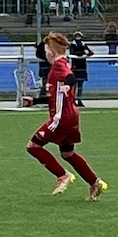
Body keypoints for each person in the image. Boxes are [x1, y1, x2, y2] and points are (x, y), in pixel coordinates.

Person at [22, 31, 107, 200]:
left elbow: (70, 77)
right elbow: (56, 95)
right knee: (68, 153)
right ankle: (95, 182)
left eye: (46, 50)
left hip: (61, 118)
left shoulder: (59, 65)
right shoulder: (62, 63)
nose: (45, 53)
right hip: (71, 115)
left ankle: (62, 175)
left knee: (33, 146)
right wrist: (35, 101)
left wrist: (68, 85)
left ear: (51, 51)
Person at [68, 31, 94, 104]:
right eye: (76, 36)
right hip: (75, 67)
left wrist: (85, 53)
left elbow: (91, 52)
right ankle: (73, 100)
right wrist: (83, 53)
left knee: (80, 85)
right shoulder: (72, 45)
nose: (78, 38)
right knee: (74, 85)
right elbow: (73, 53)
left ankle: (79, 99)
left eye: (79, 36)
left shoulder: (83, 44)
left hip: (82, 67)